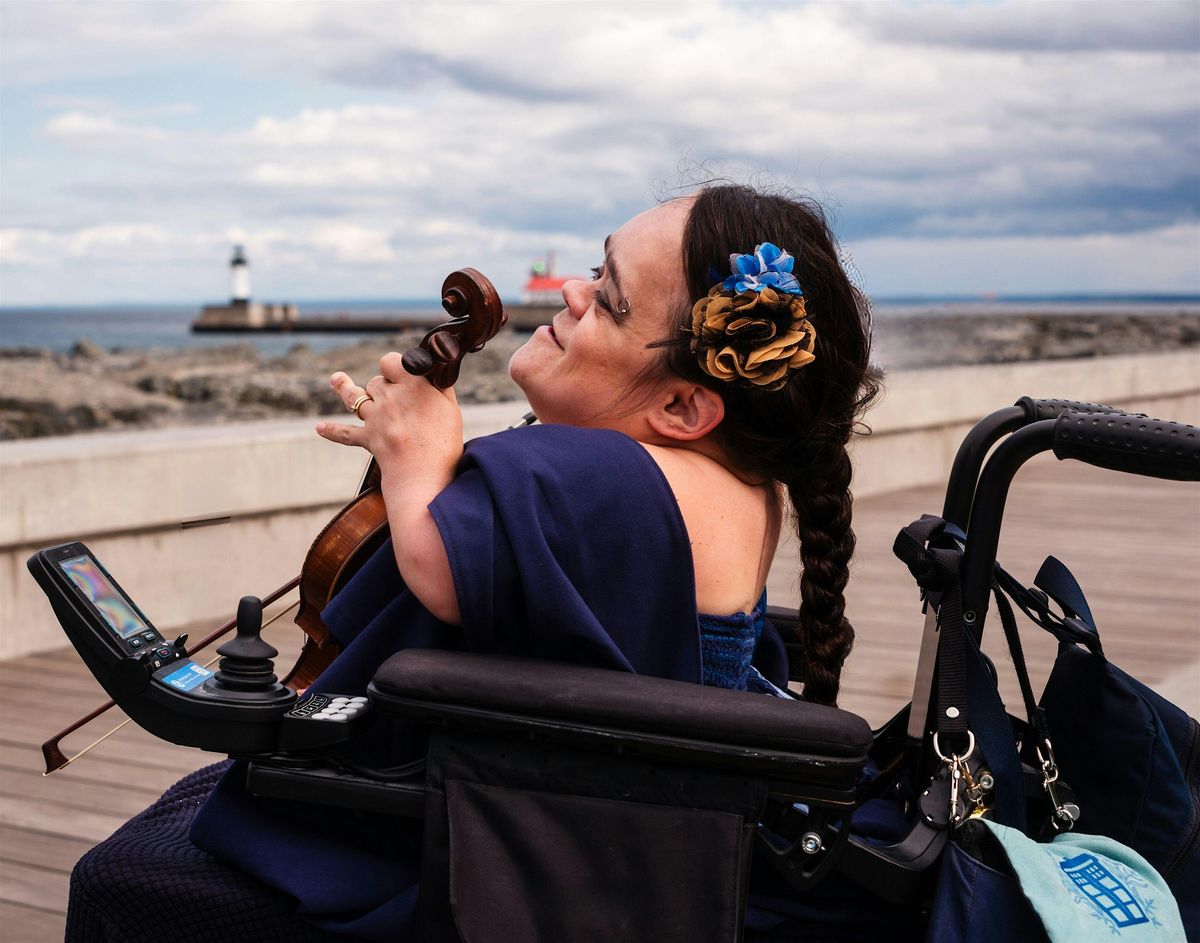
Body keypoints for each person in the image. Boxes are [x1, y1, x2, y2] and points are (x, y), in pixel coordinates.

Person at [66, 183, 890, 942]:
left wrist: (418, 461)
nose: (569, 291)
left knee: (115, 876)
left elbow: (436, 566)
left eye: (606, 300)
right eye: (595, 267)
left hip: (508, 847)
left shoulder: (604, 476)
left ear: (682, 404)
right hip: (650, 822)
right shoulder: (737, 481)